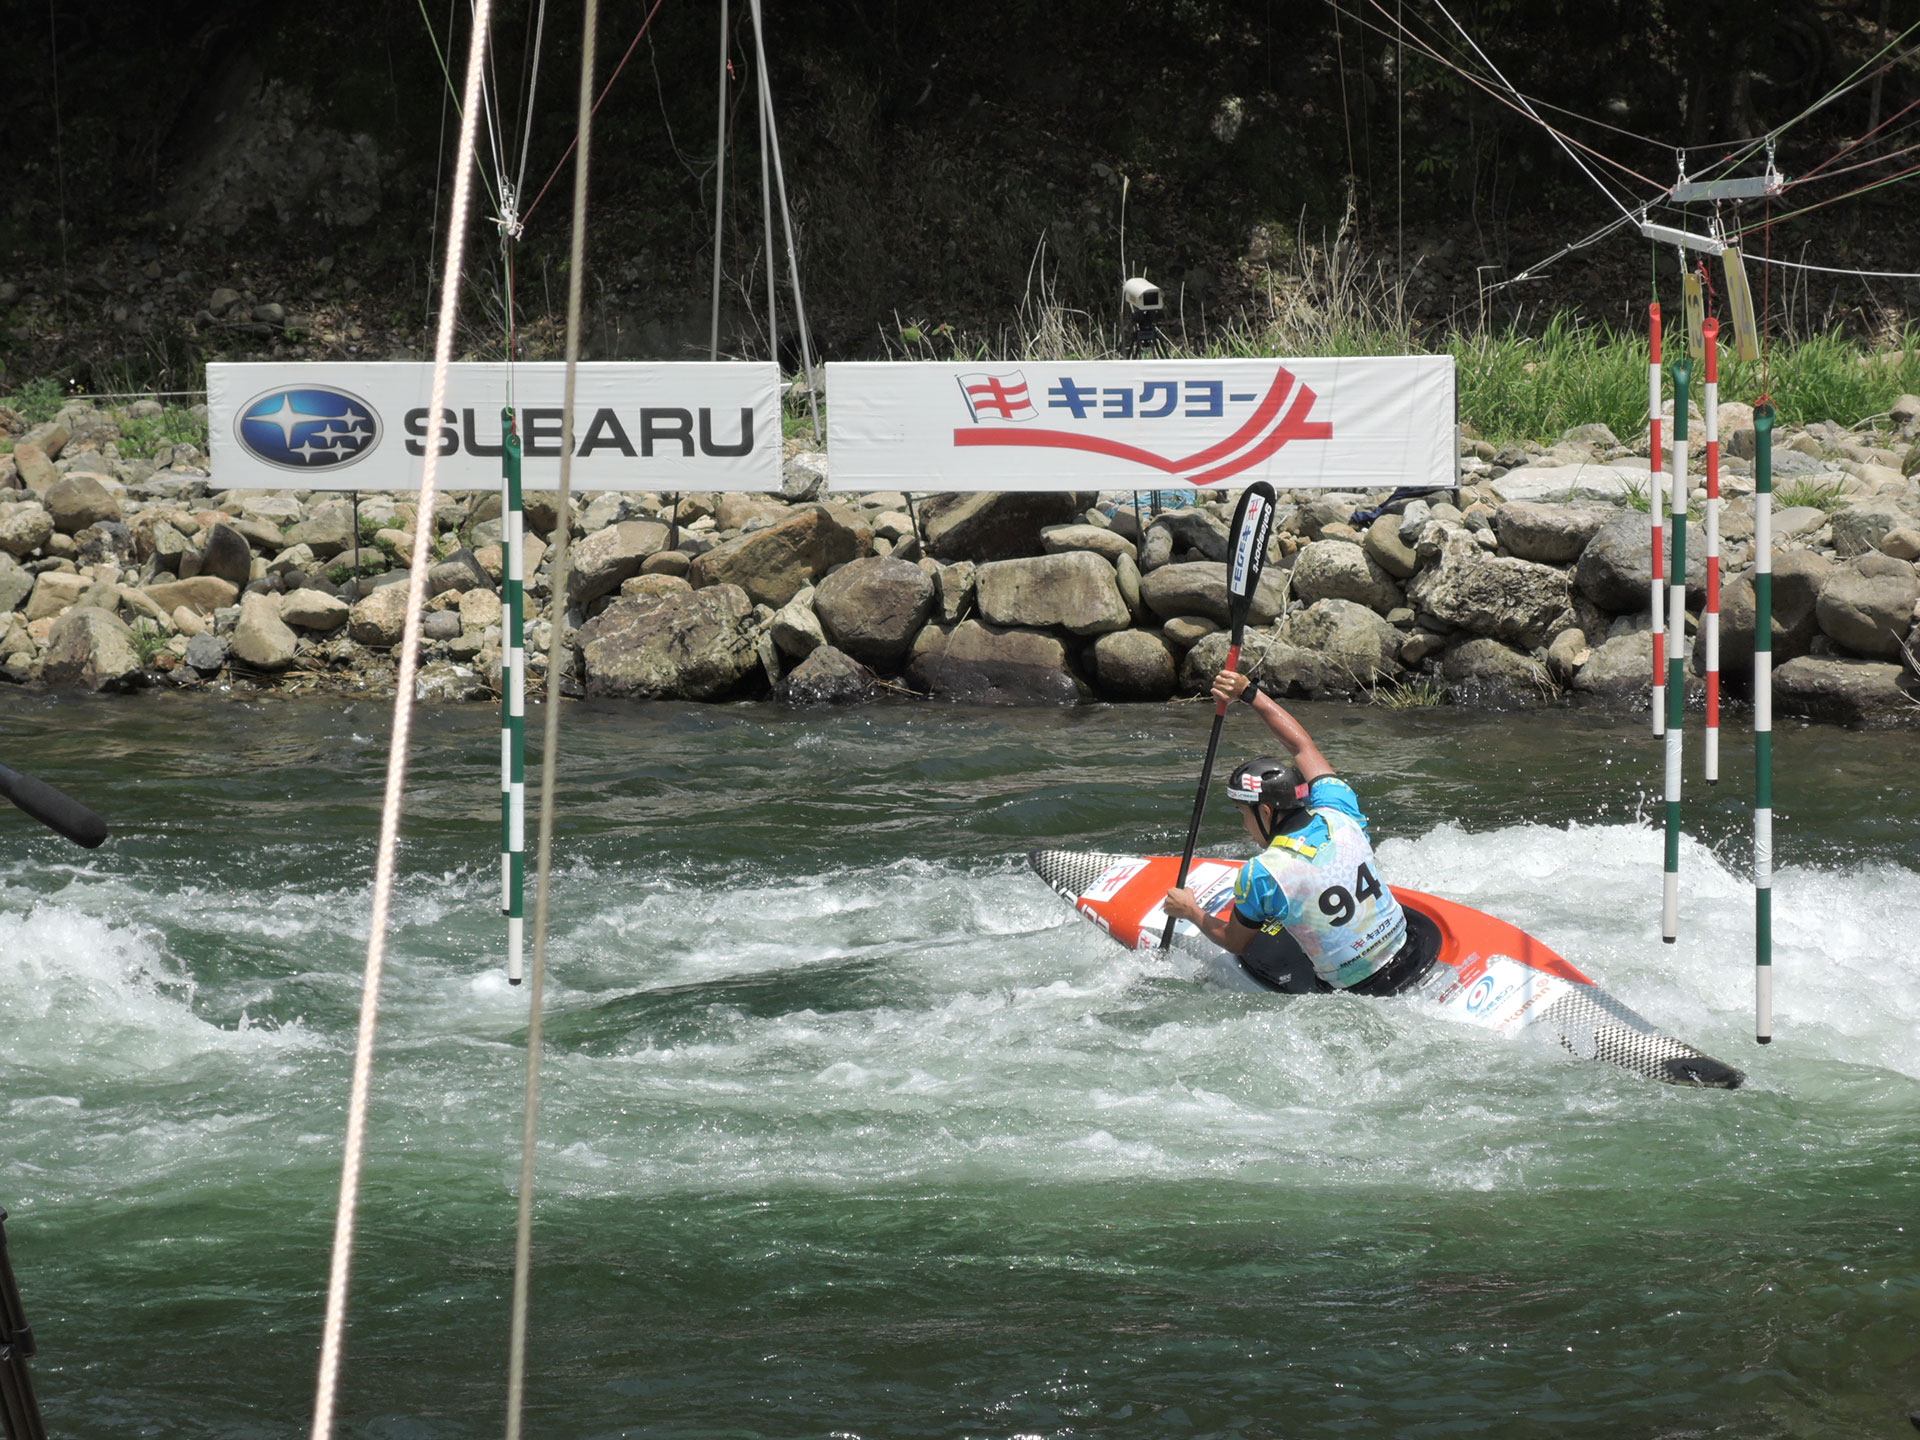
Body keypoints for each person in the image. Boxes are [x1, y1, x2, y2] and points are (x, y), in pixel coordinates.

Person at [1161, 670, 1430, 995]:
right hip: (1408, 950)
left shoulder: (1262, 874)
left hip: (1357, 989)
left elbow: (1234, 942)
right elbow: (1302, 746)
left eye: (1243, 814)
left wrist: (1190, 910)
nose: (1244, 825)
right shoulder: (1338, 809)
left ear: (1264, 811)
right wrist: (1249, 693)